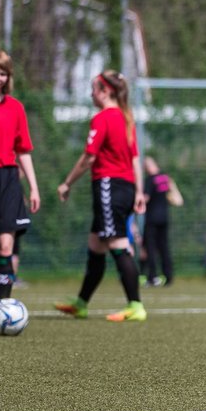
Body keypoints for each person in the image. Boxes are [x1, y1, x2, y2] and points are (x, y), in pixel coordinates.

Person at [54, 70, 148, 322]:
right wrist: (138, 191)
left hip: (109, 186)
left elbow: (89, 158)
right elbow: (135, 158)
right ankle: (81, 303)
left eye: (93, 88)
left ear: (105, 92)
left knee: (118, 243)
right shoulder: (127, 119)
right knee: (96, 245)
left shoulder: (103, 118)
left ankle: (135, 305)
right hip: (125, 187)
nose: (91, 93)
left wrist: (67, 183)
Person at [0, 49, 40, 302]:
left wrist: (33, 187)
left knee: (6, 247)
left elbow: (23, 151)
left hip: (9, 180)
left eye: (2, 73)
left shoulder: (15, 108)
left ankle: (1, 308)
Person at [141, 155, 182, 286]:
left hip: (152, 218)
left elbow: (145, 198)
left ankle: (152, 276)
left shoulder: (150, 180)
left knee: (150, 248)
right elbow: (177, 200)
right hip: (164, 218)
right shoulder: (165, 178)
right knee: (164, 247)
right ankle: (168, 276)